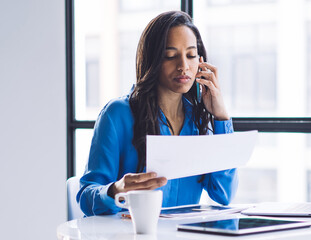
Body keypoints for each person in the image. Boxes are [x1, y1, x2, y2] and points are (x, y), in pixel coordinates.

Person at [77, 11, 238, 216]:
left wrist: (221, 118)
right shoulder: (117, 114)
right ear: (153, 60)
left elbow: (224, 194)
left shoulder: (198, 120)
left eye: (190, 55)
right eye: (170, 56)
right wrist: (116, 189)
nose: (183, 66)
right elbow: (86, 196)